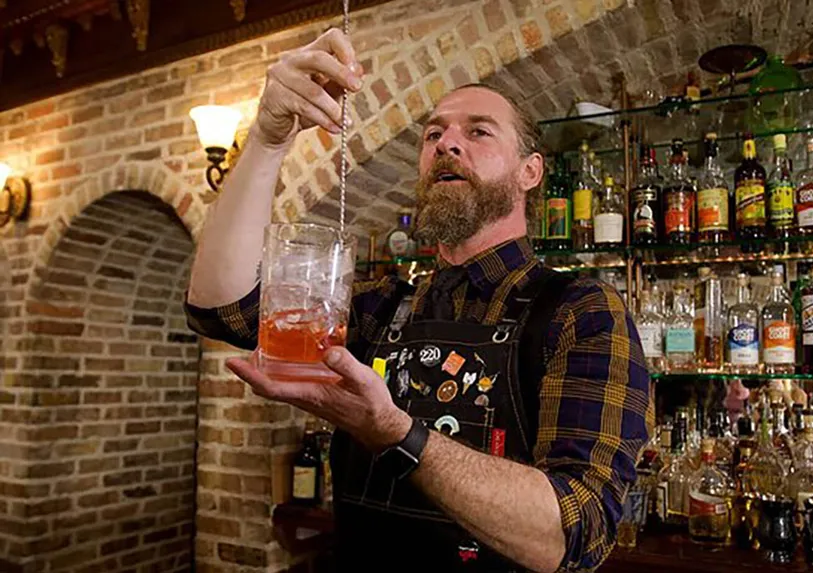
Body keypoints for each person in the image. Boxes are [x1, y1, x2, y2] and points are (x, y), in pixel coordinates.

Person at [184, 27, 653, 573]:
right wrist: (267, 139)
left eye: (478, 132)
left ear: (530, 172)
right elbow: (219, 307)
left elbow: (576, 530)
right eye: (433, 136)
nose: (446, 144)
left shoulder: (580, 310)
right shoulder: (382, 307)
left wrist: (395, 433)